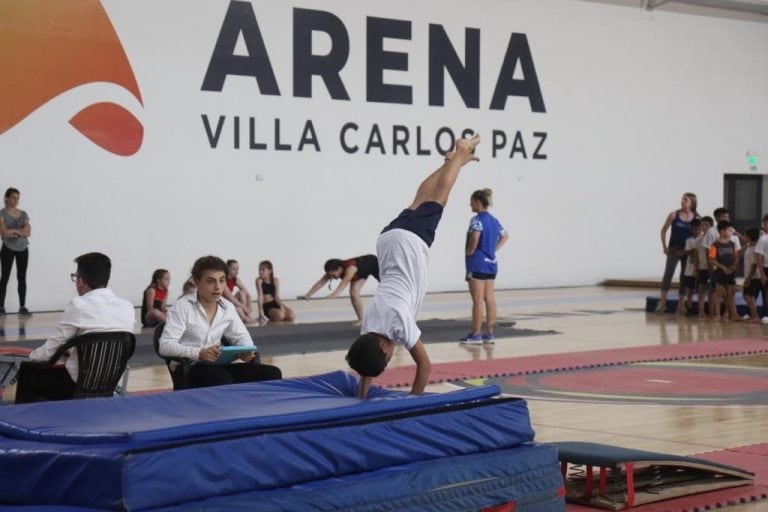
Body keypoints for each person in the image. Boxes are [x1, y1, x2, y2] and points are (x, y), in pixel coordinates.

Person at [346, 133, 481, 398]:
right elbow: (365, 368)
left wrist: (413, 402)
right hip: (386, 241)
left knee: (439, 199)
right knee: (420, 199)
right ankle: (451, 163)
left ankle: (459, 153)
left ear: (385, 350)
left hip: (410, 244)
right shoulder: (367, 330)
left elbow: (425, 365)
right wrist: (360, 398)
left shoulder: (398, 325)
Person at [17, 252, 135, 402]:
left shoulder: (79, 306)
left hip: (75, 387)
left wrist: (30, 356)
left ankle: (24, 421)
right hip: (110, 385)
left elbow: (50, 352)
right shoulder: (127, 307)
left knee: (28, 371)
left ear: (80, 280)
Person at [158, 255, 281, 388]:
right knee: (221, 377)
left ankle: (260, 409)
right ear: (197, 282)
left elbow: (242, 336)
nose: (218, 287)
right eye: (211, 281)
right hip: (190, 369)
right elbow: (165, 346)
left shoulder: (227, 307)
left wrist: (247, 352)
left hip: (219, 366)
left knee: (272, 373)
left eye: (222, 281)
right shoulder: (182, 306)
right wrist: (198, 353)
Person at [461, 188, 509, 343]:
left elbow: (475, 237)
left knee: (477, 301)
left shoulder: (477, 220)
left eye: (471, 202)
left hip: (477, 264)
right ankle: (489, 332)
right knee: (490, 299)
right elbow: (505, 235)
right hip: (491, 264)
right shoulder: (494, 220)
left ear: (478, 202)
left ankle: (476, 333)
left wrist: (470, 251)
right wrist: (493, 249)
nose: (470, 205)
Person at [298, 255, 380, 325]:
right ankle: (362, 319)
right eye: (330, 275)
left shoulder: (350, 268)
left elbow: (345, 281)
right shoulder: (332, 270)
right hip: (361, 273)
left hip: (373, 263)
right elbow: (321, 282)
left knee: (387, 286)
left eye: (333, 275)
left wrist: (335, 294)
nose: (332, 277)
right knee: (354, 292)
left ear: (339, 269)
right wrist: (308, 295)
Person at [657, 193, 698, 313]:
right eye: (682, 199)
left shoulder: (696, 217)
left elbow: (698, 234)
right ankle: (662, 302)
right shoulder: (674, 215)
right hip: (674, 248)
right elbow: (664, 230)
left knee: (684, 277)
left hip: (687, 250)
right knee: (668, 274)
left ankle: (681, 304)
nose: (682, 201)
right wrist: (664, 246)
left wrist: (691, 251)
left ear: (692, 202)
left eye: (686, 199)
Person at [0, 187, 32, 316]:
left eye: (17, 198)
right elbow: (3, 232)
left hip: (23, 249)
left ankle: (22, 306)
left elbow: (28, 232)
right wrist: (19, 232)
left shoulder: (23, 214)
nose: (16, 200)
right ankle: (1, 307)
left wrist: (13, 231)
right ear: (6, 198)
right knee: (5, 277)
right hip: (8, 249)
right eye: (13, 198)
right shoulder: (2, 213)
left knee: (22, 277)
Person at [707, 220, 739, 322]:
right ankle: (717, 314)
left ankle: (733, 314)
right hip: (720, 272)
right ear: (722, 231)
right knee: (719, 294)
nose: (731, 232)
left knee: (731, 294)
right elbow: (711, 259)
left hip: (731, 272)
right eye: (729, 230)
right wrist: (723, 268)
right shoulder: (715, 245)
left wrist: (733, 266)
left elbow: (736, 257)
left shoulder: (732, 244)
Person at [676, 218, 701, 316]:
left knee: (700, 289)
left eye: (698, 229)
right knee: (690, 289)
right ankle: (689, 307)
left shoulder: (703, 239)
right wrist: (693, 251)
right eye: (694, 229)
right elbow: (689, 252)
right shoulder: (689, 240)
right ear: (692, 229)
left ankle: (700, 309)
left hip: (700, 267)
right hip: (690, 270)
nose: (696, 231)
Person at [222, 259, 256, 324]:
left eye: (237, 269)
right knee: (238, 308)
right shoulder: (223, 279)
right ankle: (244, 316)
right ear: (227, 268)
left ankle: (245, 314)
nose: (237, 271)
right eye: (234, 269)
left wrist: (249, 306)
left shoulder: (236, 279)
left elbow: (247, 294)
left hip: (231, 302)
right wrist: (244, 307)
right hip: (223, 302)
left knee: (242, 293)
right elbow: (230, 297)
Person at [695, 216, 714, 319]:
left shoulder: (714, 238)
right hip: (702, 268)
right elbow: (696, 256)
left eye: (707, 225)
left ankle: (711, 311)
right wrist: (696, 269)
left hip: (712, 267)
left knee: (712, 291)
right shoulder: (698, 239)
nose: (704, 227)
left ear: (711, 226)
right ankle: (701, 311)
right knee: (701, 290)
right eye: (702, 225)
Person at [741, 227, 761, 323]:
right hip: (750, 276)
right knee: (746, 296)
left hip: (753, 277)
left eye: (745, 235)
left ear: (749, 237)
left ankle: (755, 316)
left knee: (749, 296)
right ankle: (754, 314)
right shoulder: (750, 247)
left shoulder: (754, 249)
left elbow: (754, 265)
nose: (743, 237)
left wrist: (749, 278)